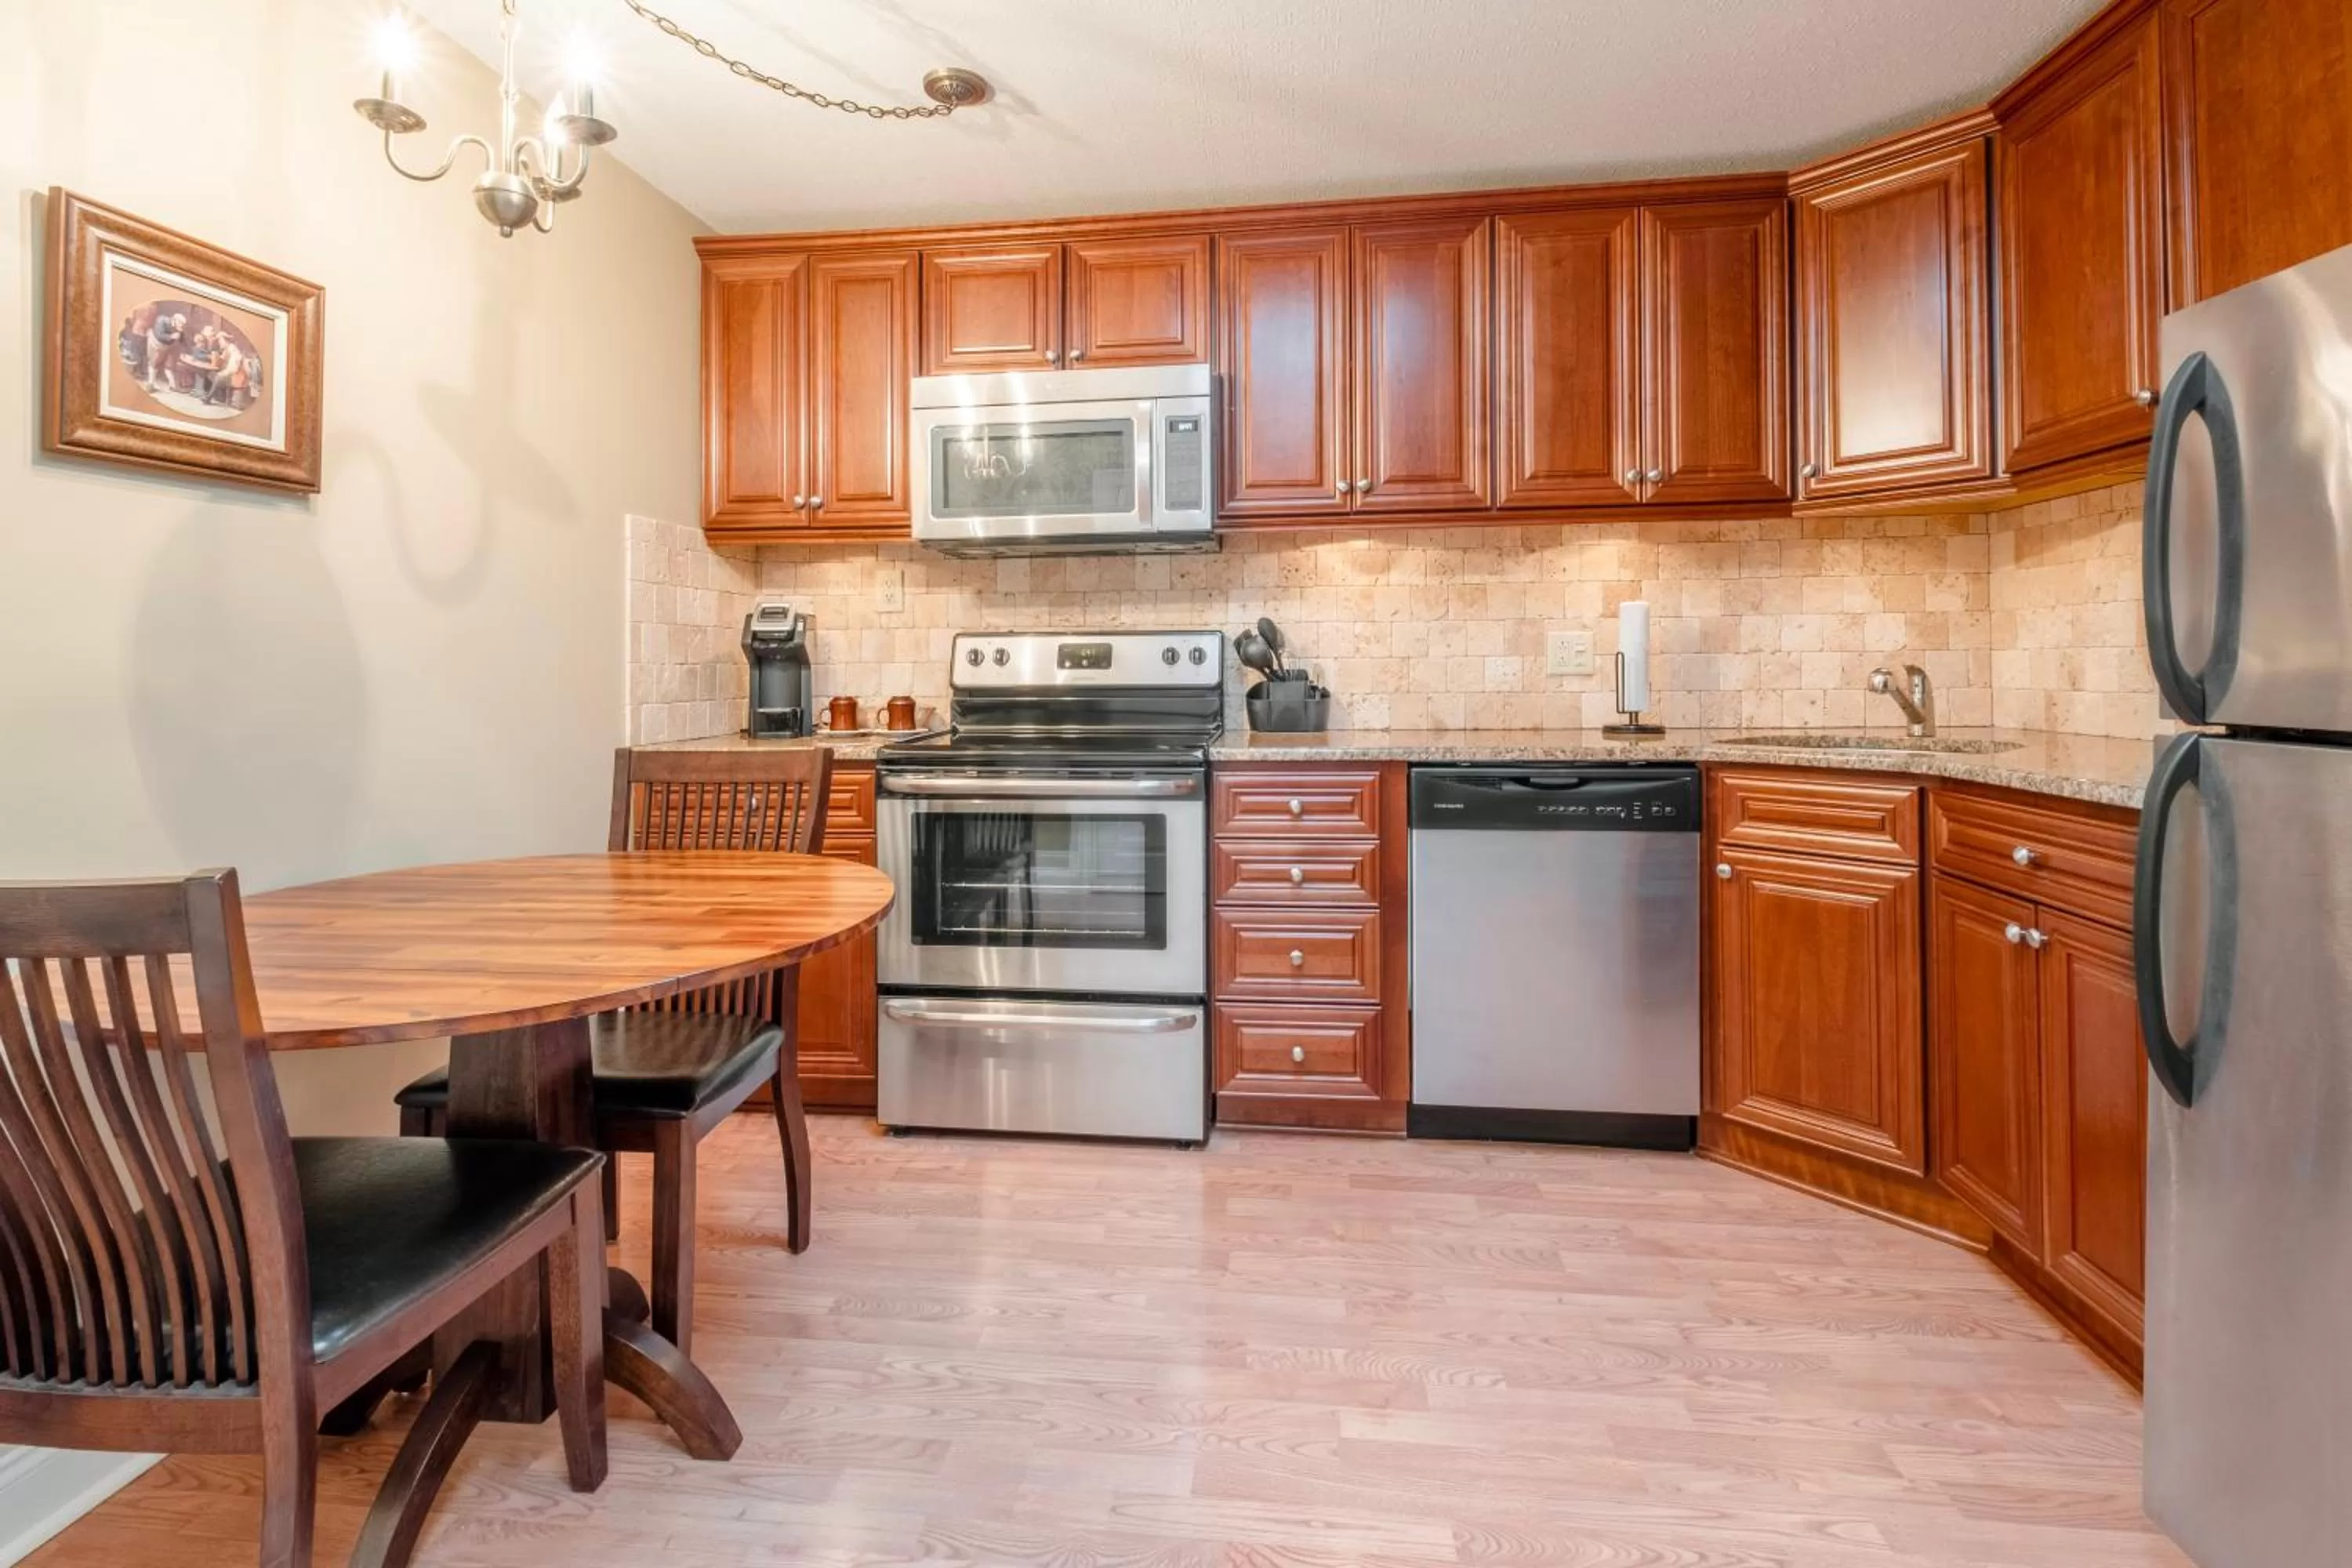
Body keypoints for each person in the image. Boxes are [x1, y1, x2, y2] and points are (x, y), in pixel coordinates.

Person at [143, 310, 186, 394]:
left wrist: (180, 333)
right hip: (155, 342)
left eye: (182, 324)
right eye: (180, 323)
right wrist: (171, 336)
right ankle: (151, 384)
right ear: (175, 320)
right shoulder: (162, 320)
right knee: (154, 363)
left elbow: (182, 340)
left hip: (166, 346)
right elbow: (159, 335)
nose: (181, 326)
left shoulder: (179, 328)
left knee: (162, 364)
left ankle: (171, 385)